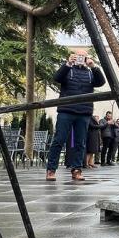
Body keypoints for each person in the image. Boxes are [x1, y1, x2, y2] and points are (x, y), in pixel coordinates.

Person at [45, 50, 106, 181]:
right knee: (58, 140)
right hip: (66, 110)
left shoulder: (90, 73)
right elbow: (57, 78)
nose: (80, 58)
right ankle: (51, 170)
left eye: (83, 56)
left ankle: (77, 170)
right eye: (78, 56)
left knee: (81, 143)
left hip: (84, 112)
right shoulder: (68, 69)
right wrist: (68, 63)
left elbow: (101, 82)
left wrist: (93, 66)